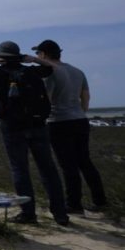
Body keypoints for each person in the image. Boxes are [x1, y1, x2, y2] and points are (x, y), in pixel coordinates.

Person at [0, 41, 69, 226]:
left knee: (20, 170)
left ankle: (28, 214)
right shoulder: (33, 71)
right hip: (38, 125)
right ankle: (60, 214)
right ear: (18, 56)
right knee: (49, 169)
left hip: (12, 127)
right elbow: (53, 67)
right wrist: (33, 59)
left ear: (1, 56)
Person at [32, 39, 107, 213]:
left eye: (38, 53)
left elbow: (47, 99)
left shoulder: (50, 72)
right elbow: (86, 99)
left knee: (68, 165)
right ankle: (100, 200)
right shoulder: (77, 71)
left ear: (43, 54)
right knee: (85, 162)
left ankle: (74, 204)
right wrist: (78, 112)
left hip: (59, 121)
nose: (37, 56)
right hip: (80, 119)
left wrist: (40, 117)